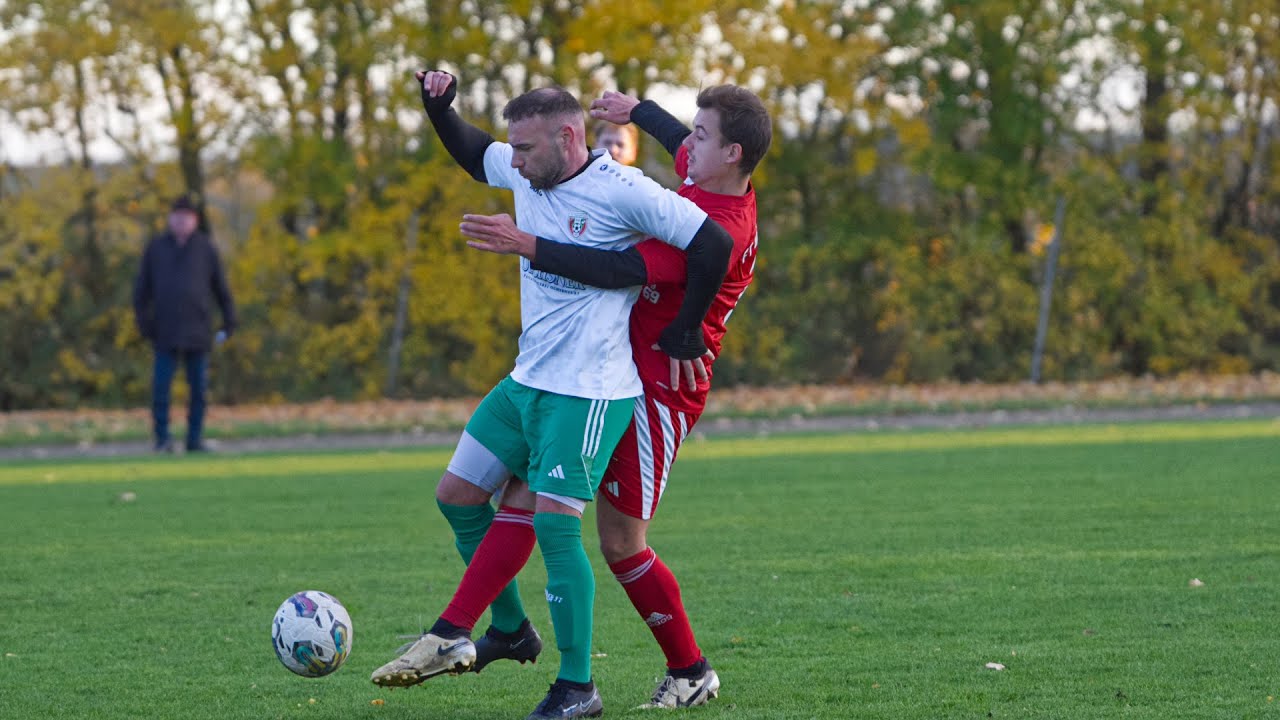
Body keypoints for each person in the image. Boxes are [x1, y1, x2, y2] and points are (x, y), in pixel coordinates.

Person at [369, 70, 734, 720]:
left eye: (524, 148)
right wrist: (440, 109)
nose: (511, 161)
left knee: (556, 529)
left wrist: (686, 332)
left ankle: (576, 687)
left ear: (568, 138)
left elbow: (713, 243)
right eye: (511, 148)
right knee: (456, 496)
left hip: (589, 392)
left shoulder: (622, 189)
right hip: (527, 381)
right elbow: (474, 152)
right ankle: (509, 630)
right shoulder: (527, 174)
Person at [463, 85, 772, 709]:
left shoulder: (722, 229)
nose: (688, 143)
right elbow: (677, 141)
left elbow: (615, 269)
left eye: (703, 135)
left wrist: (531, 244)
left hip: (662, 390)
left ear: (733, 153)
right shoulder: (710, 175)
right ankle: (492, 631)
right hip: (605, 375)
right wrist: (640, 112)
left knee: (621, 543)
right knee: (528, 493)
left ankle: (690, 670)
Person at [132, 194, 236, 453]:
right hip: (164, 331)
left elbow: (220, 289)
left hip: (197, 331)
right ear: (170, 219)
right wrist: (144, 324)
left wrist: (229, 321)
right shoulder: (156, 248)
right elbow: (141, 291)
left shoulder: (205, 249)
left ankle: (194, 439)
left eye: (186, 218)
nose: (181, 222)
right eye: (177, 217)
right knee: (161, 388)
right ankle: (162, 439)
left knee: (198, 389)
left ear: (195, 220)